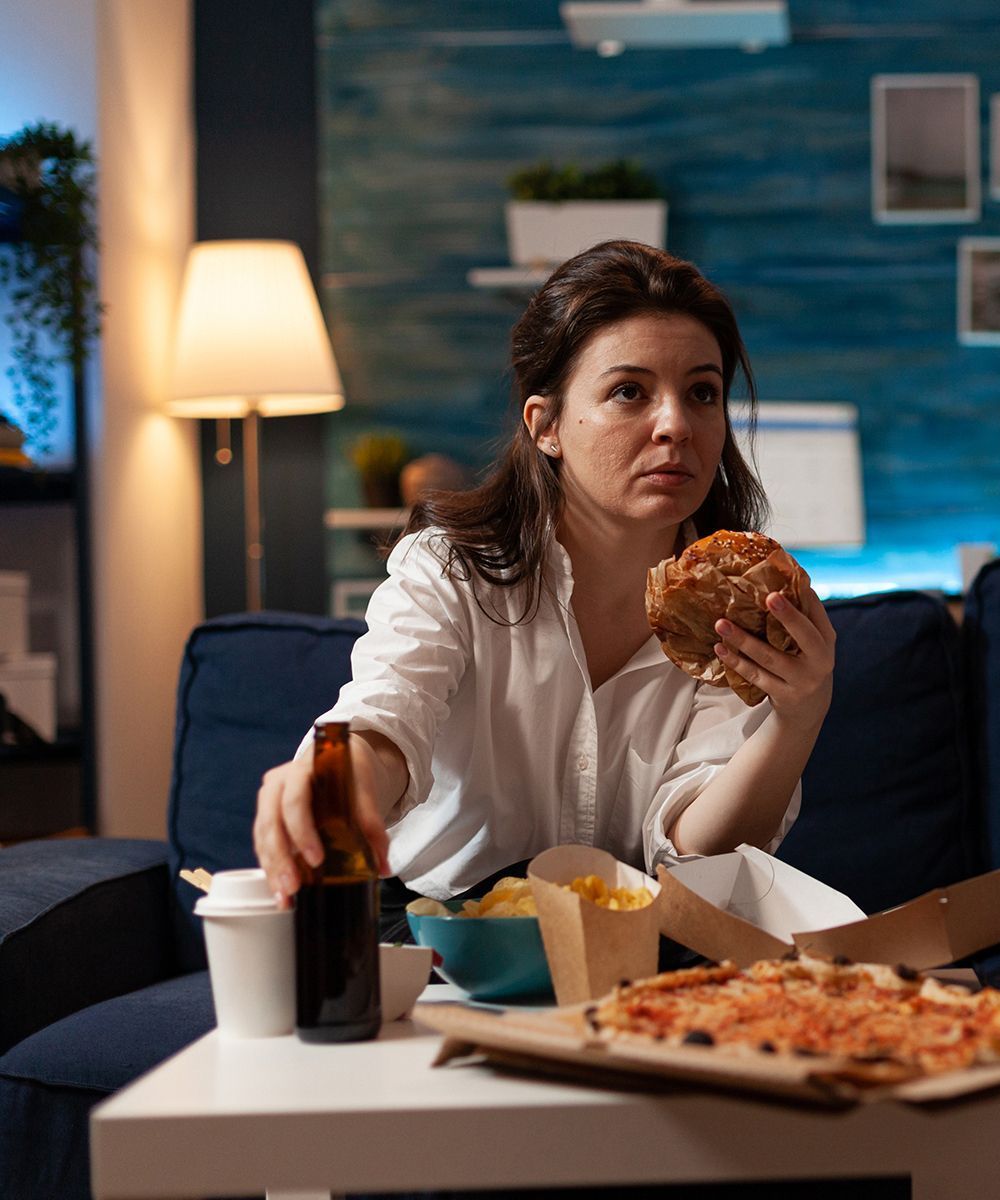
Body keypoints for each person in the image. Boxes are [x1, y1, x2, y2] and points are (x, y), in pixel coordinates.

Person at [251, 241, 836, 936]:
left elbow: (696, 844)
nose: (676, 423)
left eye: (702, 392)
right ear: (547, 425)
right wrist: (332, 784)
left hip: (632, 943)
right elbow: (387, 722)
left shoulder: (732, 607)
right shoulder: (450, 568)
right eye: (630, 391)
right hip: (445, 938)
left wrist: (796, 718)